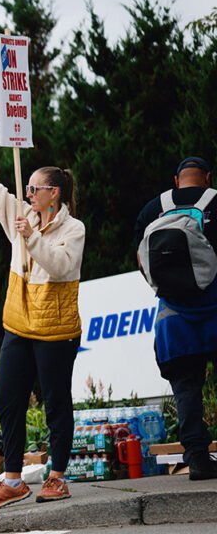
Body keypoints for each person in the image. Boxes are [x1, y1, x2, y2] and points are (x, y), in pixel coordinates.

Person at [0, 129, 85, 509]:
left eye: (34, 188)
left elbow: (60, 267)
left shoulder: (74, 229)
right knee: (9, 398)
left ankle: (57, 475)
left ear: (53, 193)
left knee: (56, 400)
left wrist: (32, 238)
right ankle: (12, 479)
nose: (27, 193)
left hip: (56, 329)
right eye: (27, 187)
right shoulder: (21, 216)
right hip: (19, 323)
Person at [134, 156, 217, 480]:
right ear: (207, 178)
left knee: (186, 390)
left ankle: (196, 459)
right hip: (213, 307)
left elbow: (141, 260)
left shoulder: (151, 210)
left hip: (173, 317)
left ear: (175, 179)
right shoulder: (215, 201)